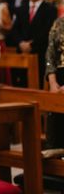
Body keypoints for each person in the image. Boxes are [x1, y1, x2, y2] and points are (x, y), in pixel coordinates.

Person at [9, 0, 58, 84]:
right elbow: (14, 30)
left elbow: (49, 30)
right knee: (21, 83)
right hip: (22, 52)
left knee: (39, 82)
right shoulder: (21, 9)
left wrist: (32, 44)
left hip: (40, 52)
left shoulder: (50, 9)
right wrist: (21, 43)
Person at [45, 17, 64, 148]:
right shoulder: (59, 23)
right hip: (59, 79)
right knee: (56, 124)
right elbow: (50, 54)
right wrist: (52, 82)